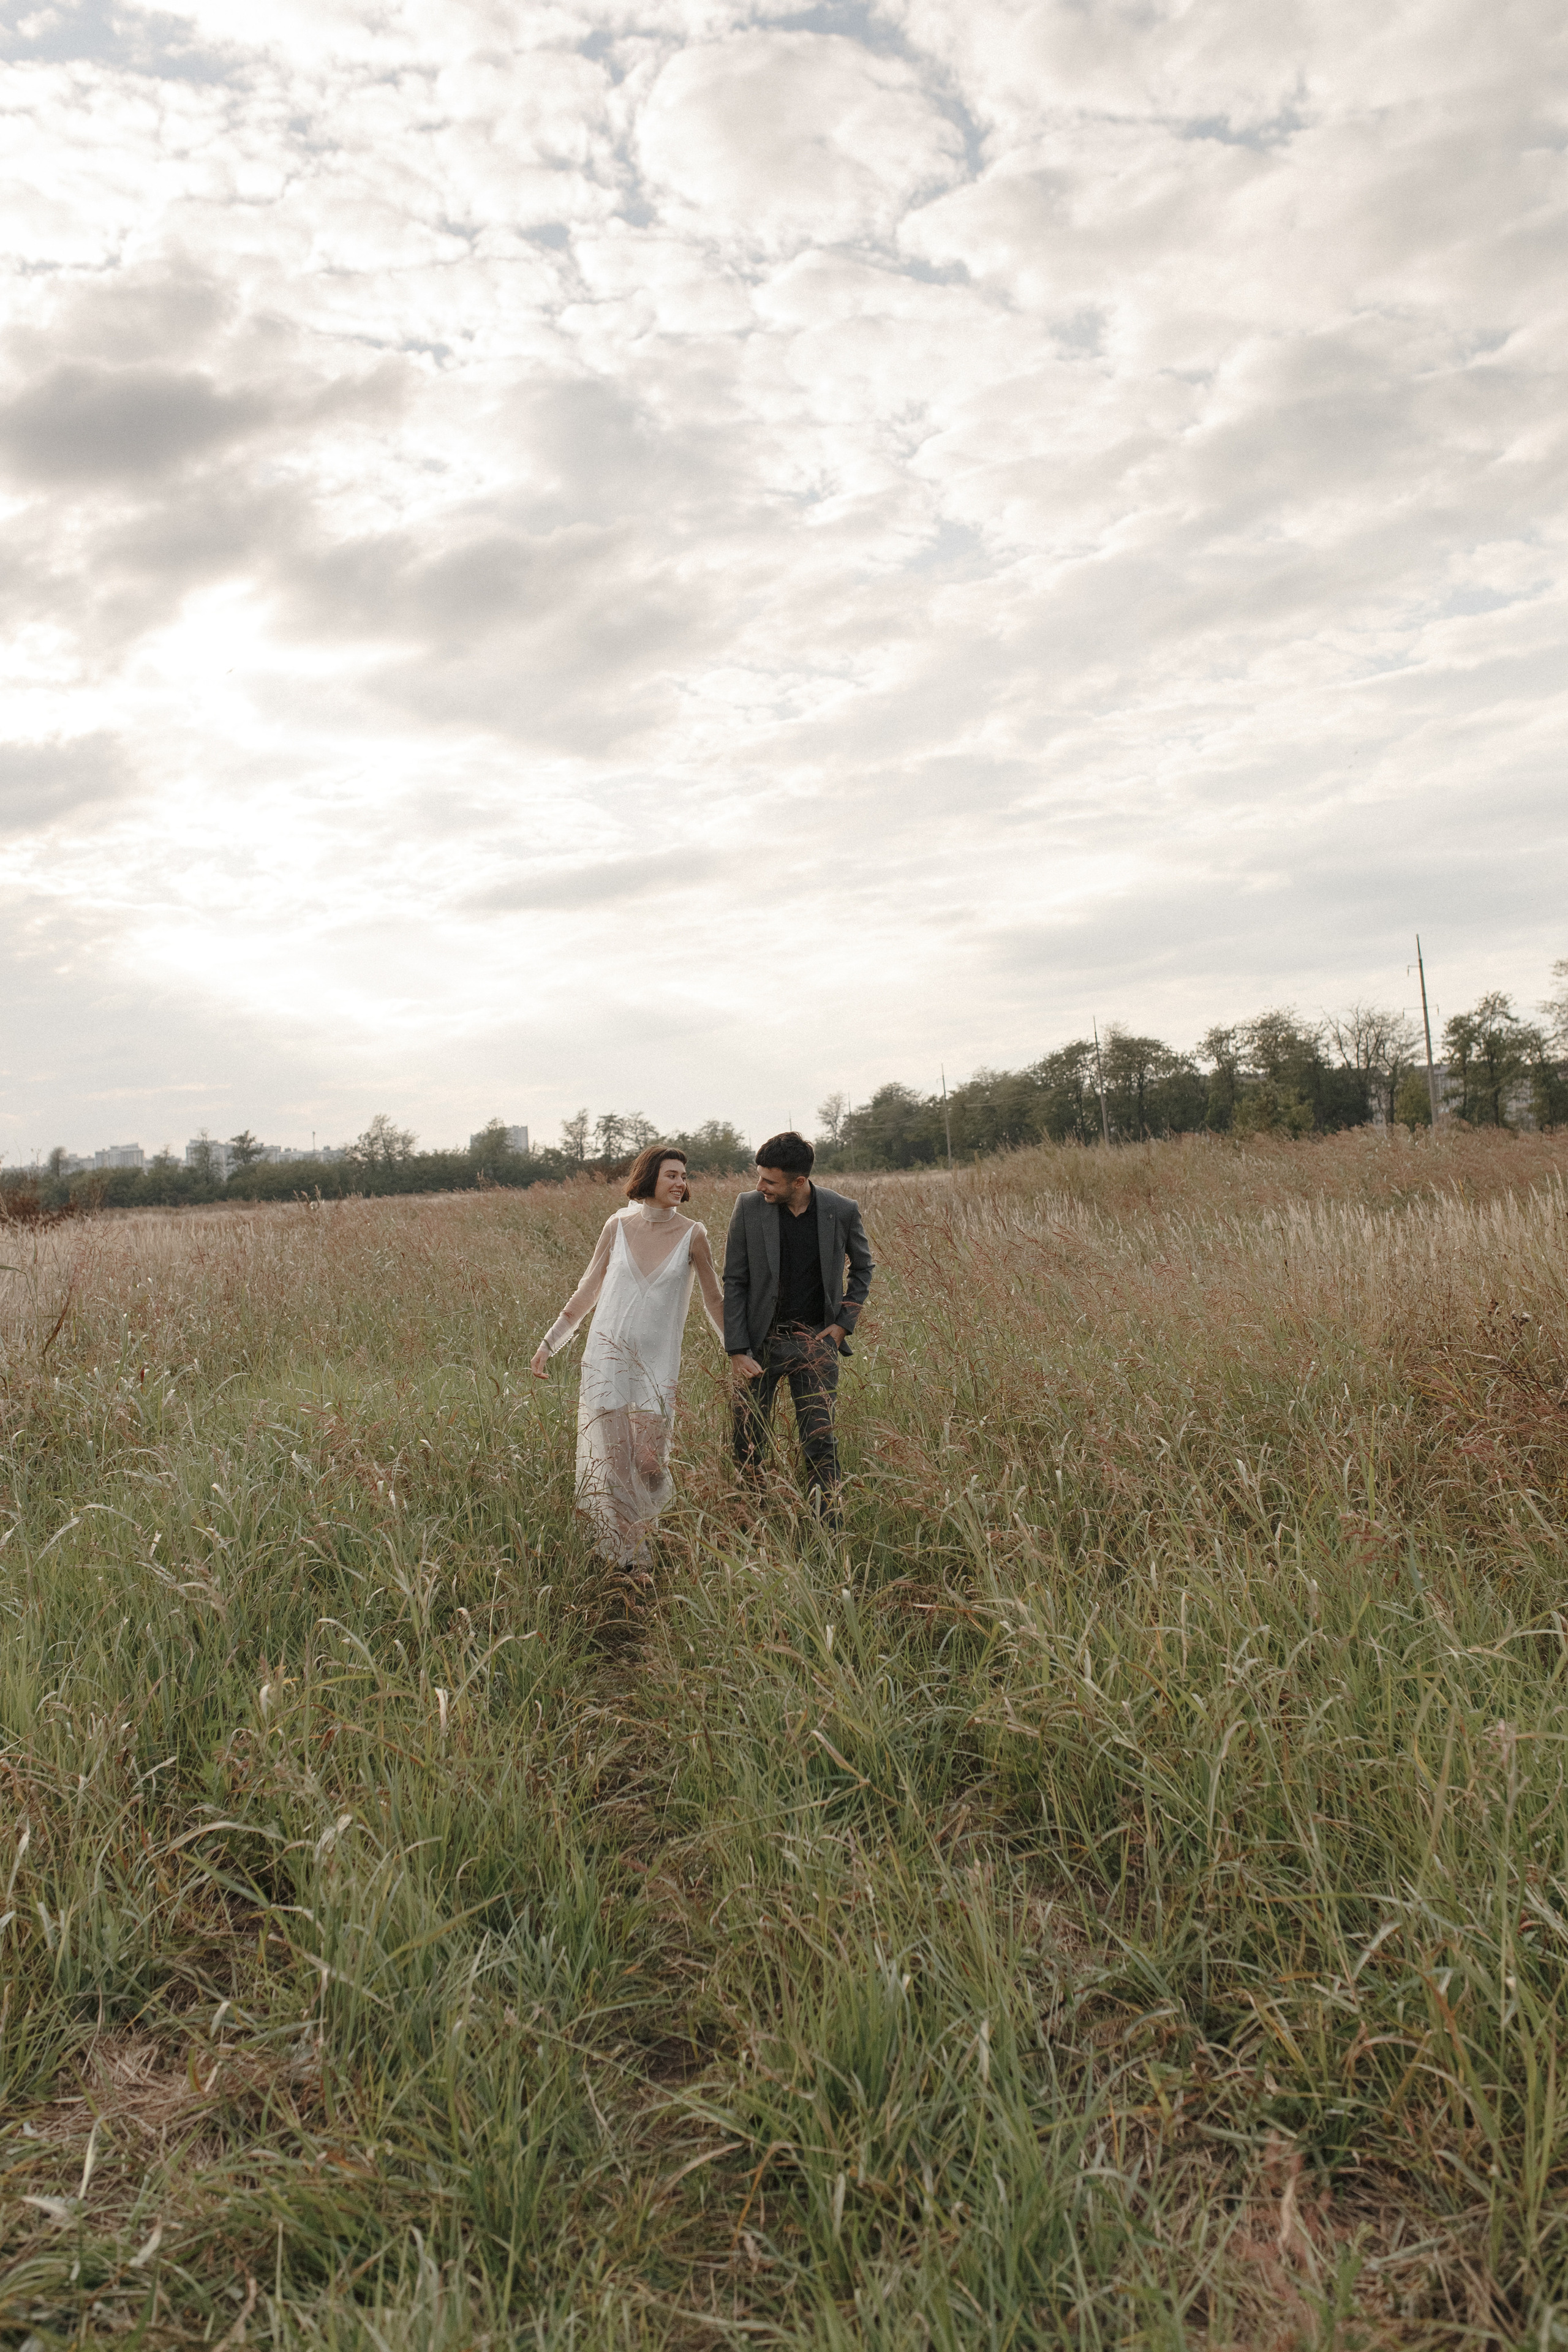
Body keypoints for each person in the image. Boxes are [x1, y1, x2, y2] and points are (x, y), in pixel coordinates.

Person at [532, 1145, 725, 1567]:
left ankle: (653, 1528)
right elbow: (587, 1291)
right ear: (649, 1177)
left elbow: (714, 1299)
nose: (681, 1183)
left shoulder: (694, 1235)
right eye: (672, 1175)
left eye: (684, 1176)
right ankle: (631, 1559)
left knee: (649, 1464)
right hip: (606, 1361)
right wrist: (550, 1343)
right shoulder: (617, 1226)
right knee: (617, 1467)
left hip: (656, 1368)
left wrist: (738, 1351)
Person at [725, 1131, 874, 1519]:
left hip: (816, 1343)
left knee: (820, 1443)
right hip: (758, 1346)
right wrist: (737, 1350)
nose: (760, 1187)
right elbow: (735, 1280)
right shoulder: (748, 1207)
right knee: (747, 1441)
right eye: (759, 1177)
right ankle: (752, 1525)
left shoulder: (841, 1209)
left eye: (769, 1181)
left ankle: (827, 1530)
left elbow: (863, 1269)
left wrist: (843, 1325)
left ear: (799, 1181)